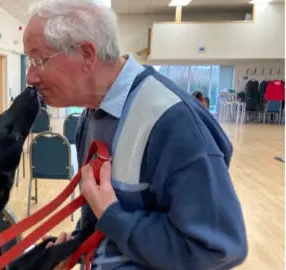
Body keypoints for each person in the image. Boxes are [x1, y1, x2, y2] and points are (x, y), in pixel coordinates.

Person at [23, 0, 248, 269]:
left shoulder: (174, 122)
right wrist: (75, 247)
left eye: (39, 60)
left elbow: (217, 249)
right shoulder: (90, 115)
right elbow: (103, 222)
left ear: (86, 55)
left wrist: (114, 217)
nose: (30, 76)